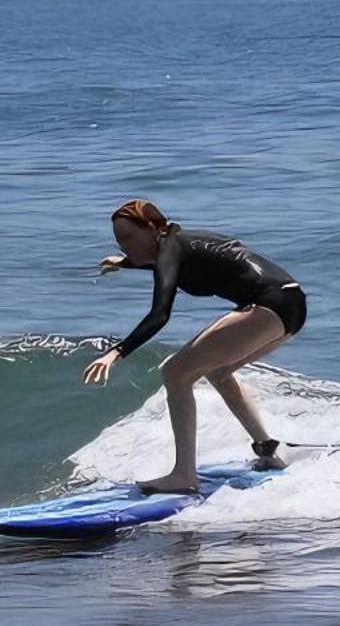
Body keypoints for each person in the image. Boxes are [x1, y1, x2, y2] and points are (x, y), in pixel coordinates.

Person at [82, 199, 307, 493]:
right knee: (219, 373)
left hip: (267, 305)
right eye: (118, 241)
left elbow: (160, 313)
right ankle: (267, 449)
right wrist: (124, 263)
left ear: (151, 228)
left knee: (175, 372)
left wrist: (117, 352)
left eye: (127, 238)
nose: (123, 246)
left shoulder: (170, 251)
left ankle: (183, 475)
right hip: (291, 303)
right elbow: (189, 264)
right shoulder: (178, 243)